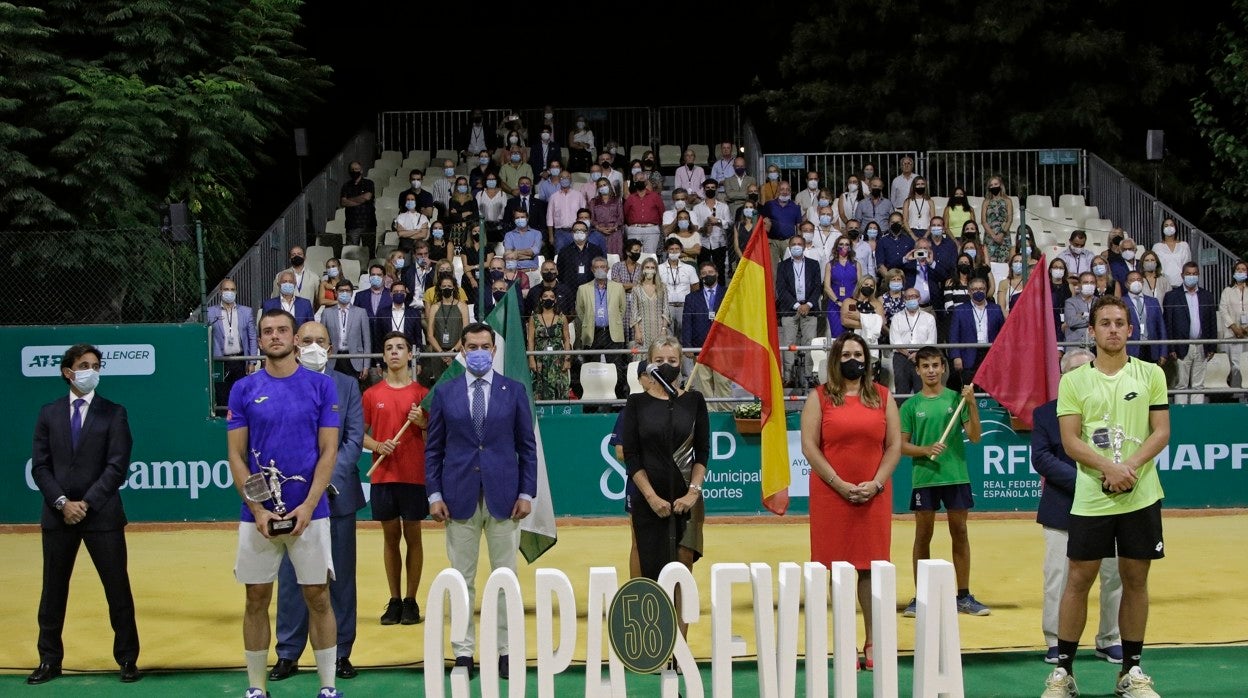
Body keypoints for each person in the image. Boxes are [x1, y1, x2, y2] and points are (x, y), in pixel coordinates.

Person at [1041, 295, 1170, 698]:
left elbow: (1161, 432)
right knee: (1078, 580)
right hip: (1091, 499)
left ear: (1130, 330)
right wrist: (1109, 469)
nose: (1113, 329)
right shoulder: (1074, 380)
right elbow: (1069, 440)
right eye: (1105, 323)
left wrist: (1127, 468)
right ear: (1092, 331)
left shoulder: (1151, 374)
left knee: (1135, 580)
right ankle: (1063, 673)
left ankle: (1130, 672)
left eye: (1119, 322)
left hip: (1141, 496)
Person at [226, 309, 342, 698]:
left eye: (282, 330)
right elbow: (238, 457)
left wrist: (308, 506)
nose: (274, 336)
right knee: (255, 597)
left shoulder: (322, 387)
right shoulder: (243, 390)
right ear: (258, 341)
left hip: (311, 513)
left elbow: (328, 453)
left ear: (294, 339)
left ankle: (327, 687)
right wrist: (259, 509)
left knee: (318, 596)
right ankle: (256, 689)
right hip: (256, 516)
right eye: (267, 332)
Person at [426, 322, 537, 680]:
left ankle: (506, 650)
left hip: (505, 496)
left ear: (493, 350)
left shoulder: (514, 390)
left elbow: (527, 447)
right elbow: (434, 449)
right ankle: (463, 652)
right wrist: (434, 493)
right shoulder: (445, 393)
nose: (478, 351)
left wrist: (526, 492)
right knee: (461, 578)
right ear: (461, 349)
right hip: (457, 496)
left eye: (484, 346)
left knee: (505, 577)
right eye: (471, 345)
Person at [28, 344, 140, 686]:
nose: (91, 370)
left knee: (117, 589)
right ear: (68, 372)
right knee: (53, 591)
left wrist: (86, 503)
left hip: (102, 516)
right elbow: (41, 465)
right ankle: (49, 660)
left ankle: (127, 659)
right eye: (84, 365)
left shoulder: (114, 412)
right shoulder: (48, 413)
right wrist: (62, 502)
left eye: (95, 365)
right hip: (57, 516)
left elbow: (117, 465)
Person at [270, 322, 366, 683]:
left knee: (339, 577)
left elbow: (354, 439)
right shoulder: (280, 384)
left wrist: (322, 482)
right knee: (291, 576)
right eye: (306, 340)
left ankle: (341, 652)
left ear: (331, 346)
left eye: (320, 341)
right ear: (296, 343)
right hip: (290, 501)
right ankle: (288, 652)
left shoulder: (347, 386)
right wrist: (297, 487)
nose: (313, 346)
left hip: (336, 497)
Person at [800, 332, 901, 671]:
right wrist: (839, 484)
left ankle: (873, 640)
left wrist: (876, 483)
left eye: (858, 353)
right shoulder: (820, 397)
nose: (852, 360)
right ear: (835, 360)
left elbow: (894, 446)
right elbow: (810, 446)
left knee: (870, 568)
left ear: (868, 358)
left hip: (874, 496)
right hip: (832, 495)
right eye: (845, 355)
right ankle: (844, 640)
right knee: (837, 571)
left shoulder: (884, 397)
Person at [1032, 348, 1123, 667]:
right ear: (1064, 377)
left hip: (1108, 504)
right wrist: (1085, 480)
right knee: (1058, 576)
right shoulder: (1045, 413)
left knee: (1113, 575)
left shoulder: (1112, 410)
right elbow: (1041, 458)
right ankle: (1057, 640)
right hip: (1062, 507)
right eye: (1077, 372)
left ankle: (1109, 638)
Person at [898, 346, 988, 617]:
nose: (931, 371)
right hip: (924, 478)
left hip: (956, 475)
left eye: (936, 365)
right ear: (918, 370)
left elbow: (974, 436)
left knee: (959, 533)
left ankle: (963, 595)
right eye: (926, 367)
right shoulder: (911, 405)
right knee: (922, 536)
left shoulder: (956, 400)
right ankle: (921, 596)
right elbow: (901, 446)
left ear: (943, 368)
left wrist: (971, 404)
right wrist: (925, 450)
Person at [620, 336, 710, 583]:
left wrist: (693, 492)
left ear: (681, 363)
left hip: (686, 498)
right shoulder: (636, 403)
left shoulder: (695, 401)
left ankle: (680, 623)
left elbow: (702, 452)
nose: (666, 364)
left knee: (683, 563)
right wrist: (651, 497)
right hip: (649, 500)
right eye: (659, 360)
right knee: (647, 563)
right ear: (649, 364)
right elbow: (631, 455)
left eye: (672, 359)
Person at [363, 332, 430, 627]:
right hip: (383, 475)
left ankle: (411, 600)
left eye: (400, 348)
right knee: (391, 538)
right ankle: (394, 600)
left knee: (413, 537)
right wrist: (377, 446)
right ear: (383, 357)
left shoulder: (422, 395)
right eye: (389, 348)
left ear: (409, 355)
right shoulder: (371, 395)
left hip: (414, 475)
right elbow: (358, 434)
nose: (394, 353)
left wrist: (422, 422)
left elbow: (434, 435)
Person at [1163, 261, 1217, 405]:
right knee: (1181, 384)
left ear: (1198, 275)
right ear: (1182, 275)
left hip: (1202, 345)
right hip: (1181, 346)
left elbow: (1212, 321)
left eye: (1194, 274)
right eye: (1188, 274)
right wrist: (1171, 347)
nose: (1191, 277)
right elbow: (1168, 323)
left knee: (1198, 385)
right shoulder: (1172, 296)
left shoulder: (1207, 296)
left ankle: (1197, 416)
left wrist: (1212, 346)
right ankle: (1182, 414)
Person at [575, 256, 629, 398]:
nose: (600, 270)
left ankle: (617, 401)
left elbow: (622, 309)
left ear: (607, 269)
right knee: (592, 368)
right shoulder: (583, 289)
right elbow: (580, 311)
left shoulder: (618, 288)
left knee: (616, 368)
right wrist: (591, 321)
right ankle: (593, 400)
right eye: (597, 267)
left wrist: (612, 320)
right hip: (593, 333)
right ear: (592, 270)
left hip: (612, 332)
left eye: (603, 267)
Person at [777, 234, 823, 388]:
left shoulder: (813, 264)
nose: (796, 246)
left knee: (810, 344)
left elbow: (818, 286)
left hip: (810, 309)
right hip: (790, 309)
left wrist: (808, 304)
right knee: (789, 344)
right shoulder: (782, 266)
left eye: (799, 244)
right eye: (793, 244)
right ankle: (788, 377)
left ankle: (810, 376)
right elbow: (781, 290)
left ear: (804, 247)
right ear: (790, 248)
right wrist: (797, 305)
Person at [682, 261, 730, 404]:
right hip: (700, 346)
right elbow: (687, 322)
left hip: (722, 346)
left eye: (710, 272)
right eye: (703, 274)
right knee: (703, 384)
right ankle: (708, 414)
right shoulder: (691, 297)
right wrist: (688, 345)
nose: (707, 275)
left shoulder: (727, 293)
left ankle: (725, 412)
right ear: (700, 277)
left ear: (717, 274)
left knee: (723, 382)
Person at [209, 279, 258, 410]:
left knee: (241, 398)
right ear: (220, 292)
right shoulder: (210, 313)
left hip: (241, 360)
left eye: (232, 290)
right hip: (220, 361)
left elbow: (252, 337)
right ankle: (223, 427)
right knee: (222, 398)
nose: (229, 293)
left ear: (236, 292)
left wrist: (252, 362)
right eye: (226, 290)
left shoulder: (246, 312)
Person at [949, 277, 1004, 389]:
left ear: (986, 290)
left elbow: (1002, 334)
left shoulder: (996, 309)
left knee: (990, 389)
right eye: (974, 289)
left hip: (990, 354)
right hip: (968, 355)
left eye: (981, 289)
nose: (978, 291)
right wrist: (956, 356)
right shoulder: (960, 310)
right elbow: (954, 335)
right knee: (969, 390)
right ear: (969, 292)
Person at [889, 287, 937, 397]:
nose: (911, 299)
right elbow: (895, 340)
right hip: (901, 357)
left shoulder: (929, 318)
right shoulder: (897, 317)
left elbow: (931, 341)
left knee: (922, 391)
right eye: (908, 297)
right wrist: (908, 354)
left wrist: (918, 354)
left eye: (914, 296)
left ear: (919, 298)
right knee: (902, 391)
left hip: (923, 357)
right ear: (904, 299)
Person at [528, 287, 573, 400]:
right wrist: (531, 359)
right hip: (539, 359)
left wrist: (567, 359)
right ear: (540, 299)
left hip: (558, 359)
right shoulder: (534, 318)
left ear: (556, 300)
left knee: (559, 387)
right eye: (545, 296)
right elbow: (530, 339)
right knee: (539, 388)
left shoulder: (562, 318)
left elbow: (567, 339)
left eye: (552, 297)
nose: (549, 299)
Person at [424, 276, 469, 386]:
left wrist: (452, 352)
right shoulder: (435, 307)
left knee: (458, 385)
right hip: (438, 354)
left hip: (457, 353)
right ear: (439, 288)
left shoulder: (462, 306)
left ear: (454, 287)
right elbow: (430, 334)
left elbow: (466, 332)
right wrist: (441, 353)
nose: (446, 288)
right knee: (440, 385)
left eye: (449, 286)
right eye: (444, 286)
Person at [323, 279, 371, 381]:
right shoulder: (327, 313)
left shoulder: (361, 312)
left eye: (347, 291)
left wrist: (366, 366)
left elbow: (367, 341)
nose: (344, 293)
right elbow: (322, 340)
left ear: (352, 293)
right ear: (336, 293)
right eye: (341, 291)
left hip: (355, 359)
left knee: (353, 392)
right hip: (333, 359)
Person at [1218, 260, 1248, 392]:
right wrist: (1234, 327)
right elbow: (1223, 310)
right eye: (1238, 269)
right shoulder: (1227, 291)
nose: (1240, 272)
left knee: (1246, 365)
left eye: (1243, 269)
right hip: (1232, 334)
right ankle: (1236, 393)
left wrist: (1246, 329)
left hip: (1247, 334)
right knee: (1235, 366)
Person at [630, 257, 670, 350]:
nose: (650, 270)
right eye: (647, 267)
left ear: (656, 270)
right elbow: (634, 312)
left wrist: (664, 329)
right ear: (643, 269)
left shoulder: (662, 288)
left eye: (652, 268)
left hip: (659, 328)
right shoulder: (636, 289)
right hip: (642, 329)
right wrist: (637, 331)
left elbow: (666, 309)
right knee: (642, 356)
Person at [824, 236, 859, 338]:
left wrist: (852, 302)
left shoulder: (856, 265)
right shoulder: (830, 265)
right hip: (835, 305)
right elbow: (827, 286)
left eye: (847, 244)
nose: (844, 246)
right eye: (841, 244)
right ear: (837, 246)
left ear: (850, 248)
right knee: (837, 336)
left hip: (852, 304)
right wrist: (838, 301)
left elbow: (859, 285)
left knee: (852, 335)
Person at [340, 162, 376, 247]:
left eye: (356, 169)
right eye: (352, 169)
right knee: (351, 251)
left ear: (361, 171)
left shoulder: (368, 183)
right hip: (352, 224)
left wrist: (349, 200)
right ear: (349, 171)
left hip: (368, 224)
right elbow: (343, 202)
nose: (354, 171)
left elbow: (367, 197)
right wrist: (360, 199)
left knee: (369, 251)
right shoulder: (346, 186)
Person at [981, 175, 1014, 263]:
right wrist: (993, 236)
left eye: (996, 184)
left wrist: (1002, 234)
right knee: (990, 262)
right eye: (991, 185)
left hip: (1004, 236)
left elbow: (1009, 219)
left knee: (1005, 261)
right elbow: (983, 221)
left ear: (1001, 185)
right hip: (990, 237)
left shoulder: (1008, 200)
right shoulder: (986, 202)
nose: (993, 187)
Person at [1151, 217, 1191, 284]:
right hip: (1163, 284)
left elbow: (1188, 265)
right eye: (1166, 226)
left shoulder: (1184, 245)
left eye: (1171, 225)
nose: (1169, 227)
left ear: (1175, 228)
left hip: (1181, 283)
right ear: (1162, 229)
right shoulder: (1156, 247)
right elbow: (1154, 267)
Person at [1065, 272, 1099, 348]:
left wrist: (1083, 315)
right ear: (1079, 285)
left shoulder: (1101, 302)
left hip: (1096, 345)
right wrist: (1093, 319)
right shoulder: (1070, 302)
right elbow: (1071, 322)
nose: (1089, 285)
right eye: (1085, 282)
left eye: (1092, 282)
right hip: (1075, 344)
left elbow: (1102, 322)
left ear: (1096, 285)